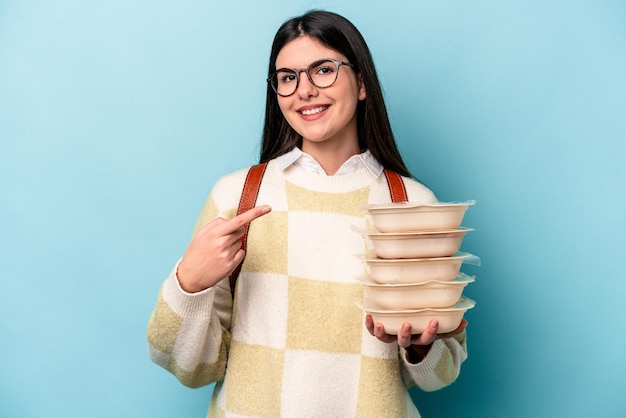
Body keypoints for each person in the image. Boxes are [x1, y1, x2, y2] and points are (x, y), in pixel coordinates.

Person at [147, 10, 468, 417]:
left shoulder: (414, 205)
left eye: (323, 70)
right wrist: (188, 283)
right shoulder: (235, 198)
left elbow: (441, 374)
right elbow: (191, 368)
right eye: (288, 77)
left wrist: (422, 344)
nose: (305, 90)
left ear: (363, 83)